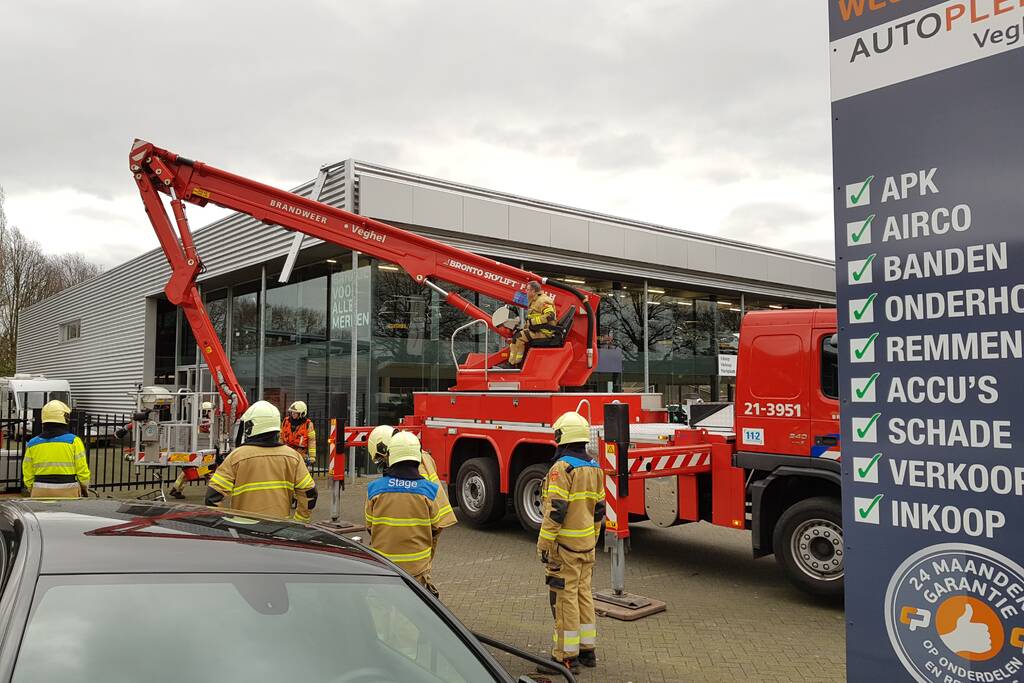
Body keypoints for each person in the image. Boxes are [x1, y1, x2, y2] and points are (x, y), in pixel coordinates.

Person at [537, 411, 605, 673]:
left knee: (565, 599)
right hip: (587, 546)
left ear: (562, 436)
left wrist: (544, 543)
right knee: (584, 596)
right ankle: (588, 652)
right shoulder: (595, 466)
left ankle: (564, 659)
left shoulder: (561, 469)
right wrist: (594, 538)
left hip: (564, 547)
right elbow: (599, 509)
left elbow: (556, 510)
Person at [364, 431, 453, 598]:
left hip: (384, 566)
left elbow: (370, 526)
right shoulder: (429, 490)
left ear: (391, 456)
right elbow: (435, 528)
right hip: (416, 570)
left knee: (382, 611)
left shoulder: (374, 489)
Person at [206, 401, 317, 521]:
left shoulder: (237, 457)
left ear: (250, 428)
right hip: (278, 528)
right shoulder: (293, 457)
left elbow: (213, 496)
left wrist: (221, 523)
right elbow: (309, 493)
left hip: (242, 528)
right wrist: (300, 521)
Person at [367, 425, 457, 555]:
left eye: (382, 458)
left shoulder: (411, 469)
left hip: (425, 526)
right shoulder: (421, 456)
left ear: (388, 450)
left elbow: (408, 507)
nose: (383, 464)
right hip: (433, 523)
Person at [23, 400, 91, 498]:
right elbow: (82, 470)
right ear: (65, 418)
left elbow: (27, 471)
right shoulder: (74, 441)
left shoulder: (32, 444)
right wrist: (84, 487)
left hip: (40, 490)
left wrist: (31, 488)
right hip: (68, 490)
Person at [169, 400, 214, 500]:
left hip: (202, 448)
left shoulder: (200, 420)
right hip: (203, 448)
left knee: (190, 471)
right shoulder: (205, 421)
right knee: (209, 470)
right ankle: (214, 492)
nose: (211, 412)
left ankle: (176, 489)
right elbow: (206, 429)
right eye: (210, 411)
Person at [507, 281, 557, 367]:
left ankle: (514, 363)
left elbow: (550, 315)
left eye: (527, 289)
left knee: (519, 338)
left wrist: (532, 322)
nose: (526, 291)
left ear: (533, 291)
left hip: (544, 332)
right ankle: (514, 362)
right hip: (538, 330)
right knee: (517, 335)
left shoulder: (543, 301)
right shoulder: (536, 300)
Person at [281, 400, 317, 470]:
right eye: (292, 412)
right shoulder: (286, 421)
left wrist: (312, 456)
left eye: (296, 412)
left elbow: (312, 441)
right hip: (287, 453)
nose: (293, 414)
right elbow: (281, 437)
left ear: (302, 413)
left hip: (300, 454)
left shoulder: (308, 424)